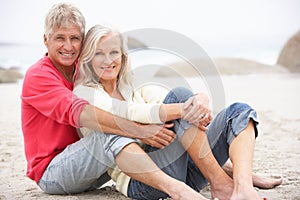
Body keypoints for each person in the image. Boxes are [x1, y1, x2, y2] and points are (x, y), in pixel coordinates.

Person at [21, 3, 213, 200]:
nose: (68, 46)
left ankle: (222, 175)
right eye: (60, 38)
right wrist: (138, 130)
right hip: (53, 171)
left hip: (96, 165)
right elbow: (83, 113)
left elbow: (130, 93)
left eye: (75, 38)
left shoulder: (84, 67)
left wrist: (196, 99)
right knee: (108, 132)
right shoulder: (38, 76)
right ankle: (178, 191)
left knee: (156, 121)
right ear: (46, 40)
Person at [73, 24, 282, 199]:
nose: (108, 60)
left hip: (185, 172)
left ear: (123, 56)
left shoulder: (131, 85)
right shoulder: (85, 93)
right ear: (88, 59)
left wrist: (199, 101)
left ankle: (243, 186)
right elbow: (129, 112)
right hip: (145, 181)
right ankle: (220, 183)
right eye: (99, 53)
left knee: (239, 112)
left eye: (113, 52)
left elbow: (163, 99)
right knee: (180, 98)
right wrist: (184, 107)